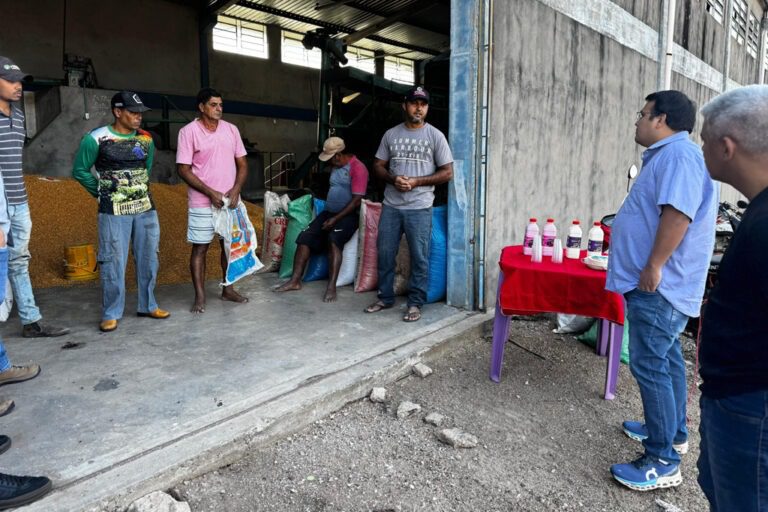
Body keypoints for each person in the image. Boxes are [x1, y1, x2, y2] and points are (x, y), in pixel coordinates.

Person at [606, 90, 717, 491]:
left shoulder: (679, 157)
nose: (637, 121)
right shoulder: (671, 157)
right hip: (660, 286)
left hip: (661, 286)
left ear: (661, 119)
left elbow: (678, 214)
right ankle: (673, 435)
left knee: (650, 365)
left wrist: (653, 266)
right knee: (667, 359)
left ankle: (662, 461)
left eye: (643, 114)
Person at [696, 85, 768, 511]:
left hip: (752, 405)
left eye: (704, 140)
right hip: (734, 397)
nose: (700, 149)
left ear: (726, 147)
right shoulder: (757, 211)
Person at [72, 91, 169, 332]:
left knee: (149, 258)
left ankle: (148, 304)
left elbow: (145, 170)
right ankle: (111, 312)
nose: (138, 118)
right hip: (113, 211)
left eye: (140, 113)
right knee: (113, 261)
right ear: (117, 112)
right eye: (133, 113)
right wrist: (101, 192)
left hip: (146, 209)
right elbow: (80, 170)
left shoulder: (146, 139)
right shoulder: (95, 139)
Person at [364, 86, 453, 322]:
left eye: (423, 104)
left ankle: (415, 303)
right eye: (414, 103)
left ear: (427, 108)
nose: (418, 108)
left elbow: (447, 173)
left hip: (420, 207)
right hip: (392, 206)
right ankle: (385, 297)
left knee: (419, 257)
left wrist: (417, 182)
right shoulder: (391, 135)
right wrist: (394, 179)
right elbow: (377, 165)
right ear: (405, 106)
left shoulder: (435, 136)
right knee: (384, 253)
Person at [0, 56, 69, 338]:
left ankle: (31, 322)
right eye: (11, 81)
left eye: (20, 81)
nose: (18, 87)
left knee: (19, 260)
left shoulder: (17, 114)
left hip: (20, 202)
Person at [176, 88, 249, 314]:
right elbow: (183, 169)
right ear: (201, 107)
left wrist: (236, 189)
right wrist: (210, 192)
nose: (219, 109)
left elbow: (243, 165)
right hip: (201, 201)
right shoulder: (188, 132)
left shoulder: (231, 130)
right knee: (200, 248)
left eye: (220, 105)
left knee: (229, 247)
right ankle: (200, 296)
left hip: (229, 201)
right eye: (213, 105)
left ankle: (228, 289)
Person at [274, 137, 368, 302]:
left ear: (338, 155)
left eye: (331, 158)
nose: (329, 162)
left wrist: (336, 218)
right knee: (304, 237)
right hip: (328, 212)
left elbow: (357, 200)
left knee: (333, 239)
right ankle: (295, 281)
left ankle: (331, 286)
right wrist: (329, 215)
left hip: (347, 216)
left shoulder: (358, 168)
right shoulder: (335, 167)